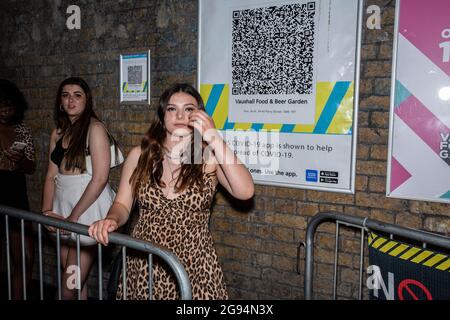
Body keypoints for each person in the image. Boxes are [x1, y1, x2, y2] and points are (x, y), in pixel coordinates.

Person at [89, 83, 254, 300]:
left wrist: (213, 136)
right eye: (171, 108)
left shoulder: (208, 156)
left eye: (189, 109)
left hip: (195, 263)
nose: (179, 115)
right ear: (162, 115)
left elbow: (245, 191)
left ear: (200, 116)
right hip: (145, 259)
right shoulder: (140, 155)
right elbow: (122, 204)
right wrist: (111, 219)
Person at [41, 77, 116, 299]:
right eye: (65, 95)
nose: (71, 100)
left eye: (77, 95)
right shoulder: (58, 133)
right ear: (60, 102)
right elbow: (50, 175)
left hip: (86, 210)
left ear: (87, 99)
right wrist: (46, 213)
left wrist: (74, 218)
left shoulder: (95, 129)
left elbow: (100, 178)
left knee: (68, 285)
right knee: (75, 281)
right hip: (62, 206)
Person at [0, 79, 36, 300]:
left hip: (15, 192)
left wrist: (20, 159)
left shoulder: (22, 129)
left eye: (9, 106)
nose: (5, 111)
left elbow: (31, 167)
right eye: (1, 105)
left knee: (24, 256)